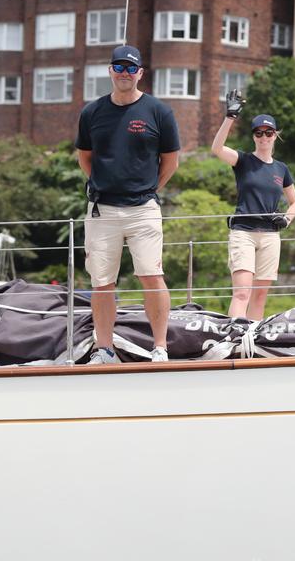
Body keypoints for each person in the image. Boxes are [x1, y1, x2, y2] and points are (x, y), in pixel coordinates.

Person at [76, 45, 180, 363]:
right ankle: (104, 348)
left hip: (143, 208)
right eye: (118, 67)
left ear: (140, 73)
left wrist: (146, 189)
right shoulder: (91, 113)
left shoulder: (159, 112)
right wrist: (106, 184)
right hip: (103, 209)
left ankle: (160, 347)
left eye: (130, 68)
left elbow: (171, 161)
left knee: (151, 275)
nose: (124, 73)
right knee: (102, 281)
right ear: (109, 71)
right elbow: (85, 158)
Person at [210, 94, 295, 321]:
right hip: (244, 233)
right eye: (259, 133)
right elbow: (217, 148)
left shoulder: (281, 169)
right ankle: (235, 339)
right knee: (242, 293)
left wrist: (287, 219)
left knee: (260, 297)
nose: (264, 137)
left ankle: (253, 346)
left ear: (275, 135)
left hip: (270, 235)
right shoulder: (243, 161)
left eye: (269, 133)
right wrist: (230, 117)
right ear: (253, 136)